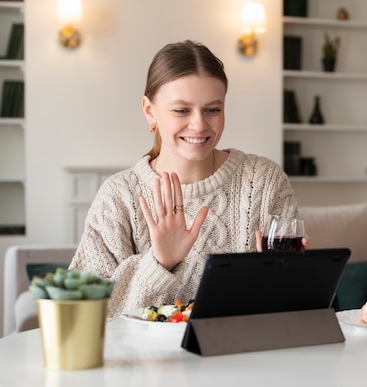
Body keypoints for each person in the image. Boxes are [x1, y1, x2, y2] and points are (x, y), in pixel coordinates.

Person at [70, 40, 304, 317]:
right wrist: (160, 263)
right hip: (145, 359)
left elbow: (295, 310)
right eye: (181, 110)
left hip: (241, 355)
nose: (199, 125)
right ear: (149, 111)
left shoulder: (264, 182)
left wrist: (293, 278)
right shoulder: (118, 197)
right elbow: (82, 314)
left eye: (213, 110)